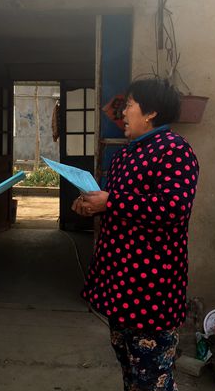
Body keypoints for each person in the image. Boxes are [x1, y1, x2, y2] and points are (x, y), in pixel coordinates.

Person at [72, 78, 199, 391]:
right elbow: (121, 206)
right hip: (120, 282)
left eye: (129, 105)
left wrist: (111, 201)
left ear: (151, 112)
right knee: (130, 369)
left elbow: (173, 208)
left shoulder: (174, 150)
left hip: (150, 287)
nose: (123, 112)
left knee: (152, 376)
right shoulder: (127, 154)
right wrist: (93, 206)